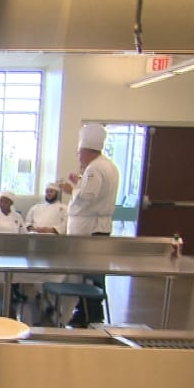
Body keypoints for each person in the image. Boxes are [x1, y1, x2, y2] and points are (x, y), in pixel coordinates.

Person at [60, 122, 120, 326]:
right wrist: (79, 181)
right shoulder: (108, 165)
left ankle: (89, 315)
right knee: (93, 275)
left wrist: (71, 189)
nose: (78, 157)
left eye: (79, 153)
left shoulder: (94, 168)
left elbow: (88, 196)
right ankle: (88, 312)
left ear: (85, 151)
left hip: (89, 229)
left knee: (86, 275)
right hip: (99, 228)